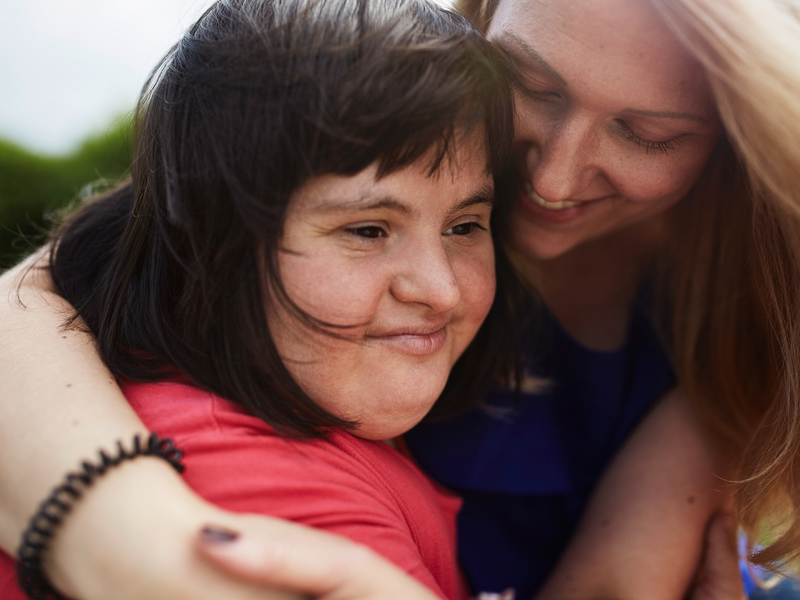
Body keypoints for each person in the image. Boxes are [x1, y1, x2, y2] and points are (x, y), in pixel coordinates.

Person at [2, 0, 799, 597]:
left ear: (739, 141)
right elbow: (42, 298)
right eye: (529, 83)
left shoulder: (732, 326)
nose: (551, 179)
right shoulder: (342, 131)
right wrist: (125, 535)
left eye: (648, 135)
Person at [0, 0, 516, 597]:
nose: (442, 289)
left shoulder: (306, 393)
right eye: (367, 230)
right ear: (213, 237)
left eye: (464, 226)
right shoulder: (272, 500)